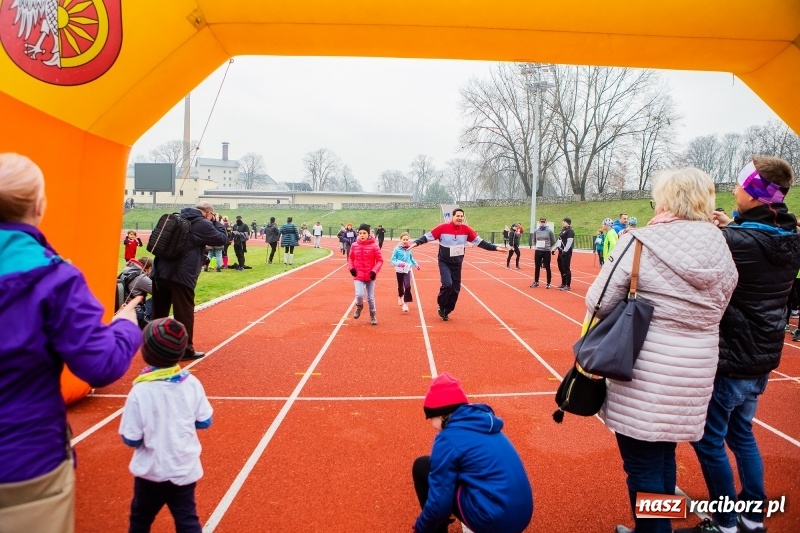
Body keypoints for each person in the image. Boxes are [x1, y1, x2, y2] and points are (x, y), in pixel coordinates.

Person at [585, 168, 738, 533]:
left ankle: (654, 529)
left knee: (643, 466)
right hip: (696, 370)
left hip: (645, 368)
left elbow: (598, 300)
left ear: (666, 199)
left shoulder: (639, 240)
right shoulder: (721, 244)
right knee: (664, 455)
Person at [0, 153, 143, 533]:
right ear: (39, 206)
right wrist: (126, 324)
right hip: (22, 458)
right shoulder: (55, 279)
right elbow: (99, 364)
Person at [676, 157, 800, 533]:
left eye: (740, 186)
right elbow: (759, 244)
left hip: (731, 356)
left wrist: (715, 228)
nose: (733, 190)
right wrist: (734, 226)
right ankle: (752, 515)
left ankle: (726, 522)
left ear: (755, 193)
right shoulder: (788, 235)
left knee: (708, 440)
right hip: (762, 357)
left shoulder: (737, 241)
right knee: (741, 434)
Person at [119, 318, 213, 533]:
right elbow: (205, 421)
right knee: (187, 519)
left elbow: (130, 438)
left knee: (140, 518)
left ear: (146, 353)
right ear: (180, 353)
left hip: (152, 471)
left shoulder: (140, 391)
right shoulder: (191, 383)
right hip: (184, 468)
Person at [412, 372, 533, 533]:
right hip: (523, 514)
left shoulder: (447, 439)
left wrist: (421, 528)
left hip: (495, 522)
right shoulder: (482, 422)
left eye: (430, 418)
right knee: (455, 470)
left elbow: (439, 504)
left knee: (422, 467)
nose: (431, 424)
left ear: (440, 415)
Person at [150, 201, 228, 360]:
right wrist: (218, 223)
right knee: (183, 313)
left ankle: (154, 347)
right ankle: (185, 350)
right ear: (207, 213)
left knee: (159, 312)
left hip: (160, 270)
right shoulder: (202, 223)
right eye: (211, 215)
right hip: (181, 275)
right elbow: (221, 239)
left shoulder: (176, 218)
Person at [410, 208, 505, 321]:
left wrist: (495, 248)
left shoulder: (466, 230)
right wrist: (415, 243)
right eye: (458, 216)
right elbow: (427, 236)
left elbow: (480, 242)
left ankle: (447, 310)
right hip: (444, 262)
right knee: (447, 284)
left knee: (455, 289)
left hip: (457, 263)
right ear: (453, 217)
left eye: (461, 216)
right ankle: (441, 305)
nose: (460, 218)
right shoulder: (442, 228)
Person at [348, 223, 383, 325]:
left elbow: (380, 260)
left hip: (370, 276)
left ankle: (373, 315)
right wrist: (352, 268)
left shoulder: (374, 246)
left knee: (370, 298)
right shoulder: (354, 245)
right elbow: (351, 258)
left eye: (364, 233)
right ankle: (359, 306)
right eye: (360, 233)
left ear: (368, 234)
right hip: (358, 275)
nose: (362, 235)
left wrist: (374, 271)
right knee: (359, 294)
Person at [119, 256, 154, 328]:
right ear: (149, 268)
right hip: (137, 312)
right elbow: (158, 292)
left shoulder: (126, 272)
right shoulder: (141, 278)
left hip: (124, 308)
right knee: (157, 300)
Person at [390, 232, 421, 313]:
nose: (405, 241)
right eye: (404, 239)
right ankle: (400, 296)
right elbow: (392, 260)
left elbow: (411, 258)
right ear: (401, 240)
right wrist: (399, 264)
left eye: (407, 239)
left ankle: (406, 304)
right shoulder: (397, 249)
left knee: (407, 286)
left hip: (407, 270)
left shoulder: (410, 248)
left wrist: (416, 265)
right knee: (400, 286)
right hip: (399, 270)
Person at [530, 217, 557, 288]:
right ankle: (536, 282)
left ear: (546, 222)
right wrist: (537, 246)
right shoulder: (536, 231)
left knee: (547, 267)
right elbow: (534, 240)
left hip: (546, 251)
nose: (542, 223)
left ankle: (548, 283)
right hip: (538, 251)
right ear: (539, 222)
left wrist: (548, 246)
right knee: (537, 267)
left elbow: (553, 240)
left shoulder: (549, 231)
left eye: (543, 222)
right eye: (541, 222)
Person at [556, 217, 575, 290]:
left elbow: (569, 242)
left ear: (567, 222)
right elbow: (559, 241)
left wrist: (565, 251)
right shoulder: (562, 230)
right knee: (561, 268)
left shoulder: (570, 231)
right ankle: (563, 283)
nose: (562, 223)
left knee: (566, 268)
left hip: (566, 253)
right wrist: (554, 249)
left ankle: (568, 284)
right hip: (560, 252)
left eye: (564, 222)